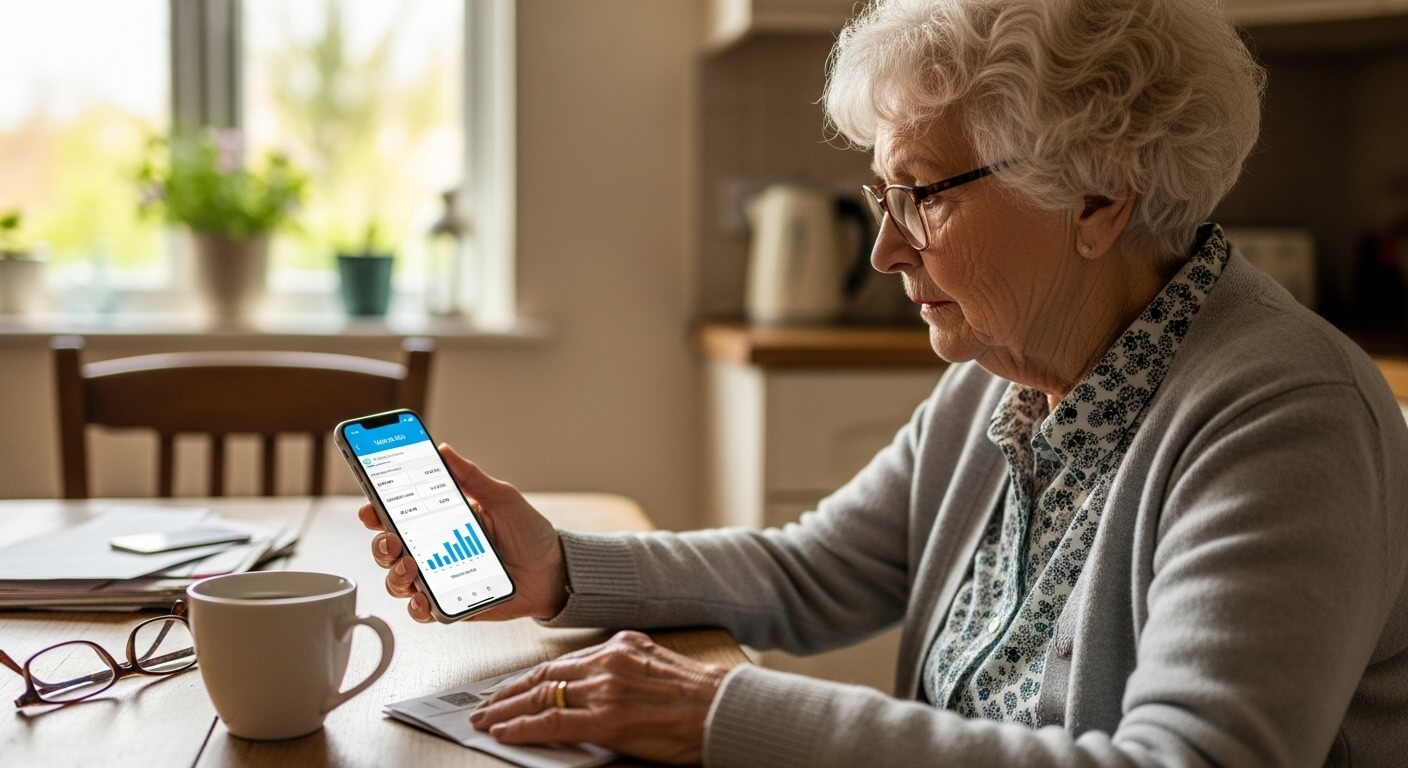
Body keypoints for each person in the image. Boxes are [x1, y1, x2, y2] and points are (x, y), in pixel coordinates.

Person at [360, 0, 1408, 764]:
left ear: (1097, 196)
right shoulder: (1004, 376)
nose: (885, 254)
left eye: (921, 197)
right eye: (882, 196)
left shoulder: (1283, 422)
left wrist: (718, 714)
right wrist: (557, 566)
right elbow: (812, 571)